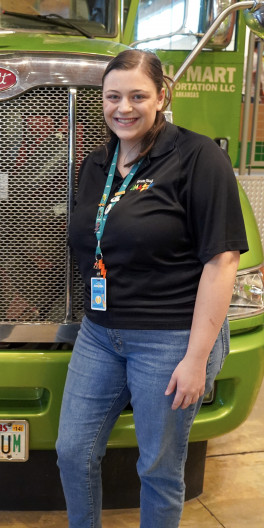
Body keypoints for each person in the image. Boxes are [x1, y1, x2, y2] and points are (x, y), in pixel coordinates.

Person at [56, 49, 248, 528]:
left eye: (138, 96)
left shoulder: (199, 157)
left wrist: (197, 358)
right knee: (72, 451)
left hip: (169, 340)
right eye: (113, 96)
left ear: (162, 96)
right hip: (100, 334)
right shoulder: (97, 164)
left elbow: (222, 260)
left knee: (159, 467)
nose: (124, 107)